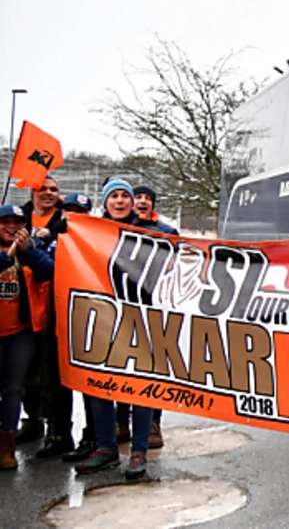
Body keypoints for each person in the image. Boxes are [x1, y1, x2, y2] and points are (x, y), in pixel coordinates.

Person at [74, 179, 155, 479]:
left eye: (124, 196)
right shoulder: (91, 232)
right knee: (100, 384)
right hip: (103, 319)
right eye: (114, 196)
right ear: (105, 202)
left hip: (140, 319)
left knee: (142, 387)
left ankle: (139, 451)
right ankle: (106, 447)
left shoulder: (151, 232)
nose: (119, 201)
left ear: (132, 202)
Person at [116, 184, 175, 449]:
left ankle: (153, 422)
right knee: (121, 365)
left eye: (147, 198)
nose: (142, 201)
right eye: (137, 197)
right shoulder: (117, 228)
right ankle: (121, 421)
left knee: (151, 368)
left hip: (153, 308)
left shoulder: (167, 232)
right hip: (122, 307)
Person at [0, 204, 55, 471]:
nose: (12, 227)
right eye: (6, 222)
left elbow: (49, 272)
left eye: (17, 223)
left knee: (13, 390)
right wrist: (7, 257)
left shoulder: (32, 248)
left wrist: (27, 251)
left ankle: (6, 446)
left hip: (20, 333)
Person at [11, 177, 62, 451]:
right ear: (32, 192)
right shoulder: (18, 219)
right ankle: (32, 421)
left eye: (53, 189)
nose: (48, 193)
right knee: (25, 371)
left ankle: (55, 426)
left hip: (52, 306)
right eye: (43, 188)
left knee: (49, 372)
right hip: (21, 305)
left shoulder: (64, 220)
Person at [55, 193, 103, 463]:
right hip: (59, 318)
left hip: (90, 320)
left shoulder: (96, 239)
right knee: (59, 381)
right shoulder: (54, 237)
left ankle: (93, 436)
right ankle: (59, 434)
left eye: (80, 211)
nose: (74, 215)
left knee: (91, 383)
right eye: (69, 210)